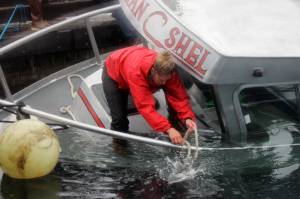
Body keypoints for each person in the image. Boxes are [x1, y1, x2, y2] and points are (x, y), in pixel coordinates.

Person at [102, 46, 196, 145]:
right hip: (114, 69)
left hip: (134, 58)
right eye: (161, 80)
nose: (164, 83)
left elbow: (178, 97)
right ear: (153, 71)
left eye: (167, 80)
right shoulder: (135, 73)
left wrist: (187, 118)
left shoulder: (170, 71)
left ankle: (177, 134)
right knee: (119, 120)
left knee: (176, 108)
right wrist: (168, 129)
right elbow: (145, 107)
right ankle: (120, 149)